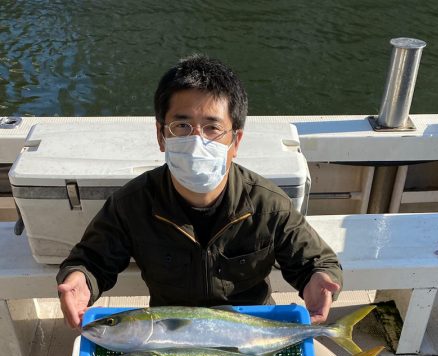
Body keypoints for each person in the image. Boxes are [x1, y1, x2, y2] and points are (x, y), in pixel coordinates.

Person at [57, 54, 342, 328]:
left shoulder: (267, 204)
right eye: (182, 126)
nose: (196, 140)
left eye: (212, 128)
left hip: (251, 331)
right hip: (171, 332)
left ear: (235, 141)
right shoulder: (133, 203)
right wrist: (79, 279)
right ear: (161, 136)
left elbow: (317, 261)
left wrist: (319, 279)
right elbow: (91, 260)